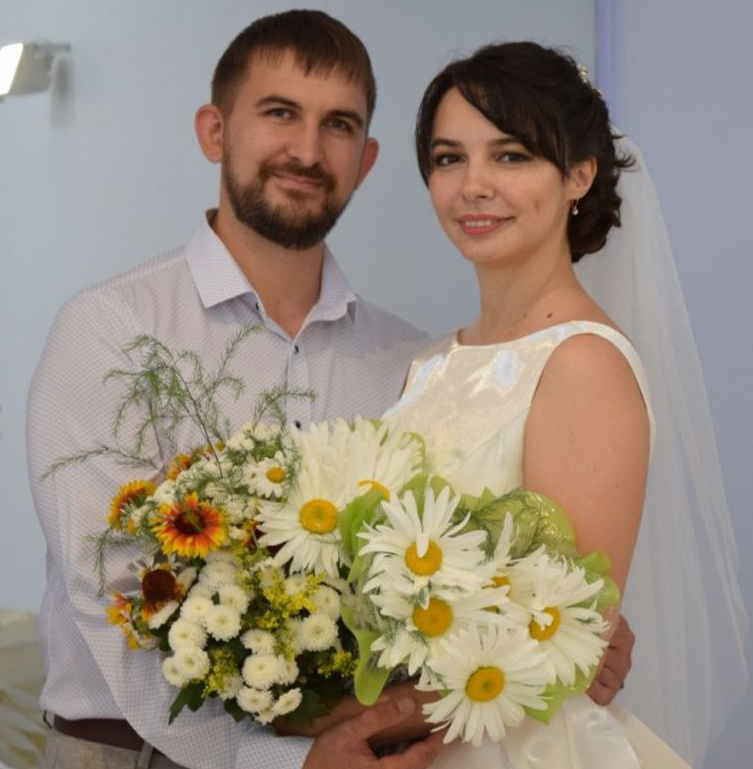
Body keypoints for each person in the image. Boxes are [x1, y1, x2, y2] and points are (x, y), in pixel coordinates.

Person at [26, 10, 634, 769]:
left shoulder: (410, 364)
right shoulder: (112, 330)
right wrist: (280, 762)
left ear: (366, 159)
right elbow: (109, 594)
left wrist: (559, 634)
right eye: (279, 113)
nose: (307, 151)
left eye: (338, 125)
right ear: (214, 132)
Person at [375, 40, 744, 767]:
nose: (473, 185)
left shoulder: (582, 363)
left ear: (578, 173)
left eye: (510, 156)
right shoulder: (430, 362)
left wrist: (349, 711)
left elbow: (566, 637)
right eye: (449, 158)